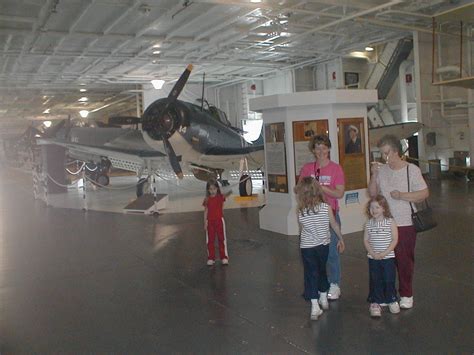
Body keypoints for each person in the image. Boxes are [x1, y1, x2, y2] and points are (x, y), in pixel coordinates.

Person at [368, 134, 429, 309]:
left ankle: (406, 293)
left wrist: (402, 196)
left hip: (404, 223)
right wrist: (373, 175)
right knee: (385, 262)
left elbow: (424, 193)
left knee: (404, 261)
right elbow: (372, 193)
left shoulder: (412, 170)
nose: (384, 157)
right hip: (384, 224)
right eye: (381, 153)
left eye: (386, 152)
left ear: (396, 151)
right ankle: (387, 294)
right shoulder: (382, 170)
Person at [298, 134, 345, 300]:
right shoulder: (307, 168)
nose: (321, 151)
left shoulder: (336, 169)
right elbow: (300, 189)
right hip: (311, 214)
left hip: (329, 213)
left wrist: (321, 188)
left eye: (324, 147)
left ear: (329, 149)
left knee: (331, 251)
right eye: (317, 147)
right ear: (313, 150)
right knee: (313, 253)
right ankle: (319, 284)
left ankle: (334, 283)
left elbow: (339, 193)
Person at [295, 177, 345, 320]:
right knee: (322, 270)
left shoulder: (301, 211)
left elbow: (303, 229)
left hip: (307, 247)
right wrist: (341, 239)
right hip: (323, 246)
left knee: (311, 274)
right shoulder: (326, 208)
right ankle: (323, 297)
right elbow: (334, 225)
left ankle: (314, 305)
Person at [364, 195, 399, 317]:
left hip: (388, 257)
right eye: (372, 207)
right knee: (375, 279)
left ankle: (391, 299)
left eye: (377, 207)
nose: (374, 210)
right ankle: (376, 302)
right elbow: (366, 240)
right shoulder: (369, 224)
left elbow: (395, 239)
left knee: (389, 278)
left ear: (384, 208)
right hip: (373, 258)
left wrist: (385, 253)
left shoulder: (390, 222)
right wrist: (373, 253)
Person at [203, 179, 232, 266]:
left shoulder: (220, 197)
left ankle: (224, 257)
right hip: (210, 222)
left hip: (219, 221)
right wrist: (205, 222)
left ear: (217, 189)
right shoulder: (207, 199)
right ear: (208, 190)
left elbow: (226, 195)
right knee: (210, 241)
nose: (212, 191)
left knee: (221, 239)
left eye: (214, 189)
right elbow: (205, 211)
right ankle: (211, 258)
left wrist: (230, 190)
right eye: (210, 189)